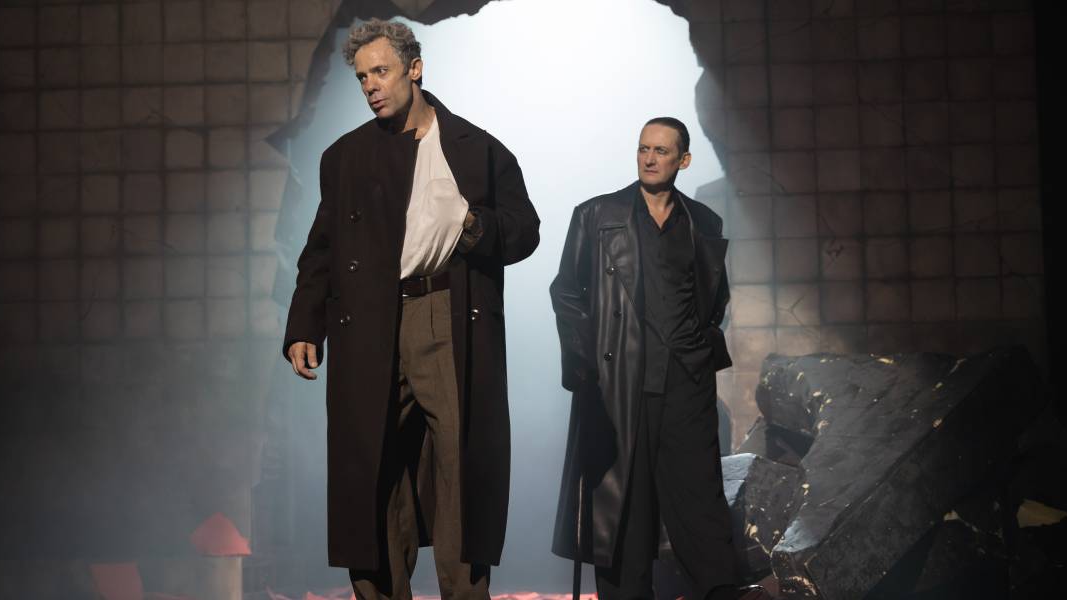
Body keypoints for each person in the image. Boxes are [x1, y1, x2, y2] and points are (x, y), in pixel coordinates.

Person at [281, 18, 540, 600]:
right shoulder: (345, 157)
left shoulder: (476, 148)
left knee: (459, 466)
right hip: (371, 321)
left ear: (414, 69)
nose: (371, 86)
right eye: (362, 77)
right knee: (372, 466)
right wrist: (304, 325)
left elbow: (525, 230)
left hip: (447, 313)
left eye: (382, 71)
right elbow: (321, 249)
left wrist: (473, 225)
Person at [549, 118, 768, 600]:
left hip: (685, 382)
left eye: (661, 151)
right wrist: (585, 364)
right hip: (620, 385)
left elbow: (714, 298)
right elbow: (566, 291)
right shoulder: (597, 215)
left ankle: (720, 592)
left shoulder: (703, 223)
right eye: (643, 148)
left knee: (700, 499)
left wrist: (700, 348)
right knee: (625, 507)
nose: (649, 159)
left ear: (683, 160)